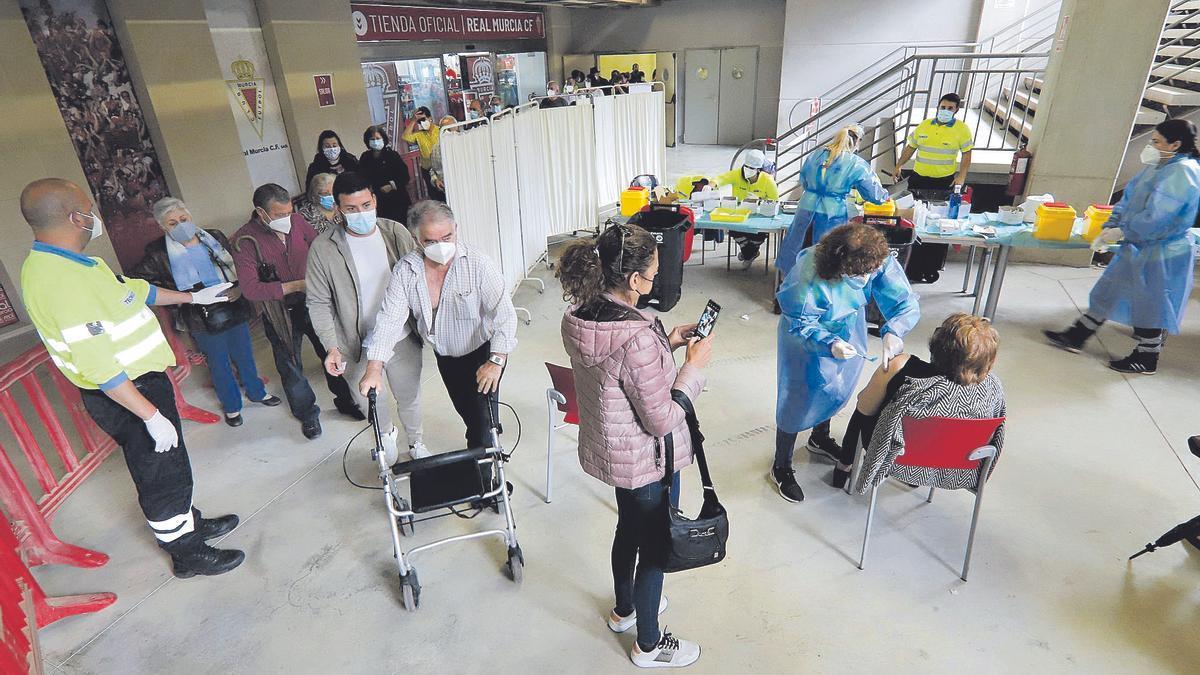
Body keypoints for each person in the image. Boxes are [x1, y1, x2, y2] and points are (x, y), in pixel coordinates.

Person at [19, 178, 243, 577]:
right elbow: (98, 362)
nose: (96, 217)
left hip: (141, 384)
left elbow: (135, 292)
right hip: (127, 392)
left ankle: (186, 524)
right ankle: (187, 554)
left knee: (171, 465)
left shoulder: (79, 263)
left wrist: (194, 297)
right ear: (76, 216)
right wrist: (149, 415)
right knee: (161, 474)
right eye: (91, 208)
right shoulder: (58, 281)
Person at [557, 222, 711, 668]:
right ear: (632, 279)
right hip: (648, 459)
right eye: (653, 274)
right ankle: (648, 643)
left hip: (616, 452)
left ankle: (625, 609)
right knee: (656, 547)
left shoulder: (587, 315)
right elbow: (661, 417)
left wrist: (666, 339)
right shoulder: (637, 337)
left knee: (630, 529)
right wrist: (693, 368)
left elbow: (621, 368)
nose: (656, 281)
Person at [773, 223, 919, 503]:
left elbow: (903, 299)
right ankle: (781, 464)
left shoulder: (874, 258)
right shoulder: (808, 275)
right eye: (859, 274)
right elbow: (800, 321)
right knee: (798, 394)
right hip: (805, 336)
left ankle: (819, 437)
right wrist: (829, 343)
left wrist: (894, 332)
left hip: (848, 325)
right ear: (840, 265)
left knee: (835, 385)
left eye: (870, 273)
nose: (866, 279)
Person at [1044, 118, 1200, 375]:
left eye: (1156, 142)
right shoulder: (1156, 166)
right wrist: (1110, 227)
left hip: (1161, 251)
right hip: (1138, 245)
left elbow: (1160, 216)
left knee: (1151, 303)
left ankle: (1147, 358)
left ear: (1175, 144)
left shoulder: (1183, 172)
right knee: (1109, 290)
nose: (1151, 146)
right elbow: (1128, 200)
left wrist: (1123, 230)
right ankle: (1077, 335)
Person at [359, 201, 517, 450]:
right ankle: (487, 435)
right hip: (445, 356)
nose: (442, 246)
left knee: (481, 426)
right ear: (416, 239)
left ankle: (489, 478)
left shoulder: (478, 264)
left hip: (482, 354)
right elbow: (389, 320)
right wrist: (375, 366)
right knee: (467, 412)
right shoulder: (406, 272)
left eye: (448, 236)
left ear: (456, 229)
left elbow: (505, 315)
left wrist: (496, 362)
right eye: (432, 241)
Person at [306, 173, 426, 464]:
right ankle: (386, 435)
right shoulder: (324, 249)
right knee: (369, 400)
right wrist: (331, 346)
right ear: (338, 209)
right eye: (351, 208)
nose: (361, 213)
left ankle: (417, 441)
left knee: (409, 395)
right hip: (355, 342)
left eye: (366, 204)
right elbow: (319, 301)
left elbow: (418, 279)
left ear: (374, 200)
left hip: (401, 337)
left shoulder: (394, 233)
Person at [130, 197, 280, 427]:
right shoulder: (158, 253)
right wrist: (181, 299)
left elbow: (239, 264)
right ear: (162, 226)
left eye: (183, 219)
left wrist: (240, 288)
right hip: (200, 314)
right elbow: (140, 283)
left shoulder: (213, 237)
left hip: (233, 303)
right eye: (172, 223)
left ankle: (257, 392)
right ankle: (232, 406)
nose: (180, 225)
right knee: (218, 363)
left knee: (244, 354)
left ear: (191, 217)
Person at [232, 183, 364, 441]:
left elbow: (320, 247)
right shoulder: (244, 241)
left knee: (331, 351)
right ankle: (307, 414)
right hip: (279, 312)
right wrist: (297, 284)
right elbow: (251, 289)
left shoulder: (297, 221)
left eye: (289, 212)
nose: (287, 219)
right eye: (279, 215)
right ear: (261, 212)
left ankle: (346, 400)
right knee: (291, 365)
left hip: (314, 302)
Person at [843, 313, 1005, 492]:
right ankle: (922, 464)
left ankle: (844, 465)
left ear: (937, 344)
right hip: (953, 464)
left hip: (898, 457)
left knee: (865, 406)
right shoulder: (993, 388)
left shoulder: (902, 367)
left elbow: (865, 409)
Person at [777, 125, 890, 277]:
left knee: (798, 244)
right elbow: (874, 194)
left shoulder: (816, 155)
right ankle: (817, 291)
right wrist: (885, 195)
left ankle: (788, 285)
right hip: (831, 213)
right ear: (857, 142)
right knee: (826, 252)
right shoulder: (855, 163)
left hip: (805, 207)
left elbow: (803, 180)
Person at [892, 93, 973, 191]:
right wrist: (899, 165)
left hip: (944, 180)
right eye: (943, 107)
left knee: (939, 206)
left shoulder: (962, 129)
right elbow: (911, 147)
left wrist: (961, 176)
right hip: (918, 178)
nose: (945, 110)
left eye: (950, 108)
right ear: (938, 107)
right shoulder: (925, 125)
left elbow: (967, 154)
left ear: (956, 110)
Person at [715, 148, 779, 268]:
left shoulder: (768, 181)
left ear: (759, 170)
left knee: (757, 234)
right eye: (747, 166)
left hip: (759, 216)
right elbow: (720, 179)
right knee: (734, 229)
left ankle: (747, 253)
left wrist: (760, 201)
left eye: (752, 168)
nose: (748, 170)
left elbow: (775, 201)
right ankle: (751, 253)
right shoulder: (737, 174)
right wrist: (710, 185)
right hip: (739, 214)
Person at [358, 125, 412, 223]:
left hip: (398, 199)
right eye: (372, 139)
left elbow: (405, 177)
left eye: (378, 138)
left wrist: (391, 186)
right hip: (378, 201)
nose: (375, 141)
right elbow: (362, 177)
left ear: (383, 139)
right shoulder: (365, 157)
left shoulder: (392, 155)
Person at [401, 107, 441, 200]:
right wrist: (413, 120)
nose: (422, 123)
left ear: (430, 118)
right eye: (419, 121)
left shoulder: (440, 130)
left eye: (423, 119)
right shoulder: (419, 135)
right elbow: (405, 137)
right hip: (427, 170)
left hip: (440, 169)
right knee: (434, 197)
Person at [428, 114, 459, 202]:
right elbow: (432, 169)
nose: (446, 132)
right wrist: (435, 180)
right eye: (444, 129)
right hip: (446, 192)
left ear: (456, 127)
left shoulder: (464, 145)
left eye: (449, 129)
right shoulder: (436, 148)